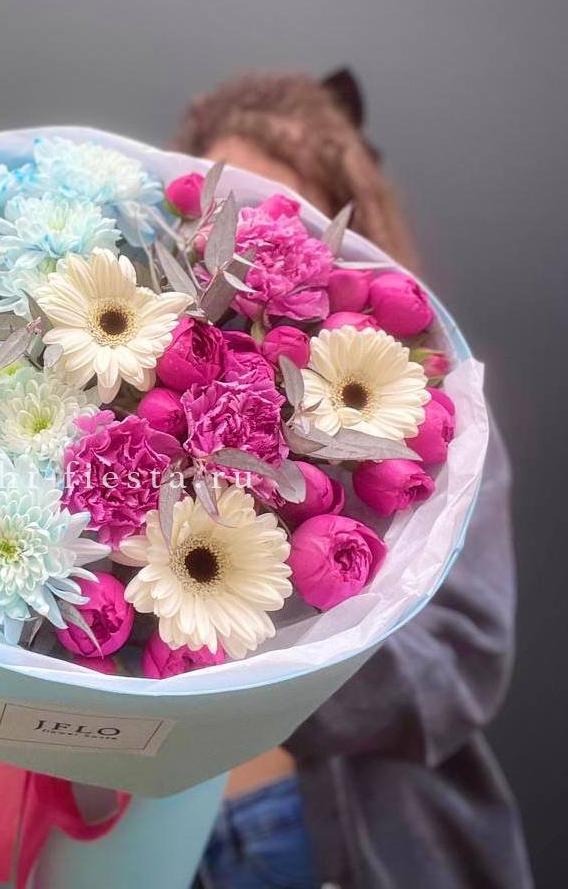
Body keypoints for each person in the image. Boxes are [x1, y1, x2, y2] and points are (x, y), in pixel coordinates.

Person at [174, 70, 533, 889]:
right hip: (151, 851)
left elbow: (460, 661)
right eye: (222, 207)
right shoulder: (136, 401)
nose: (244, 236)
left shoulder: (434, 425)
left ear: (348, 235)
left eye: (282, 211)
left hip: (331, 835)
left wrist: (256, 637)